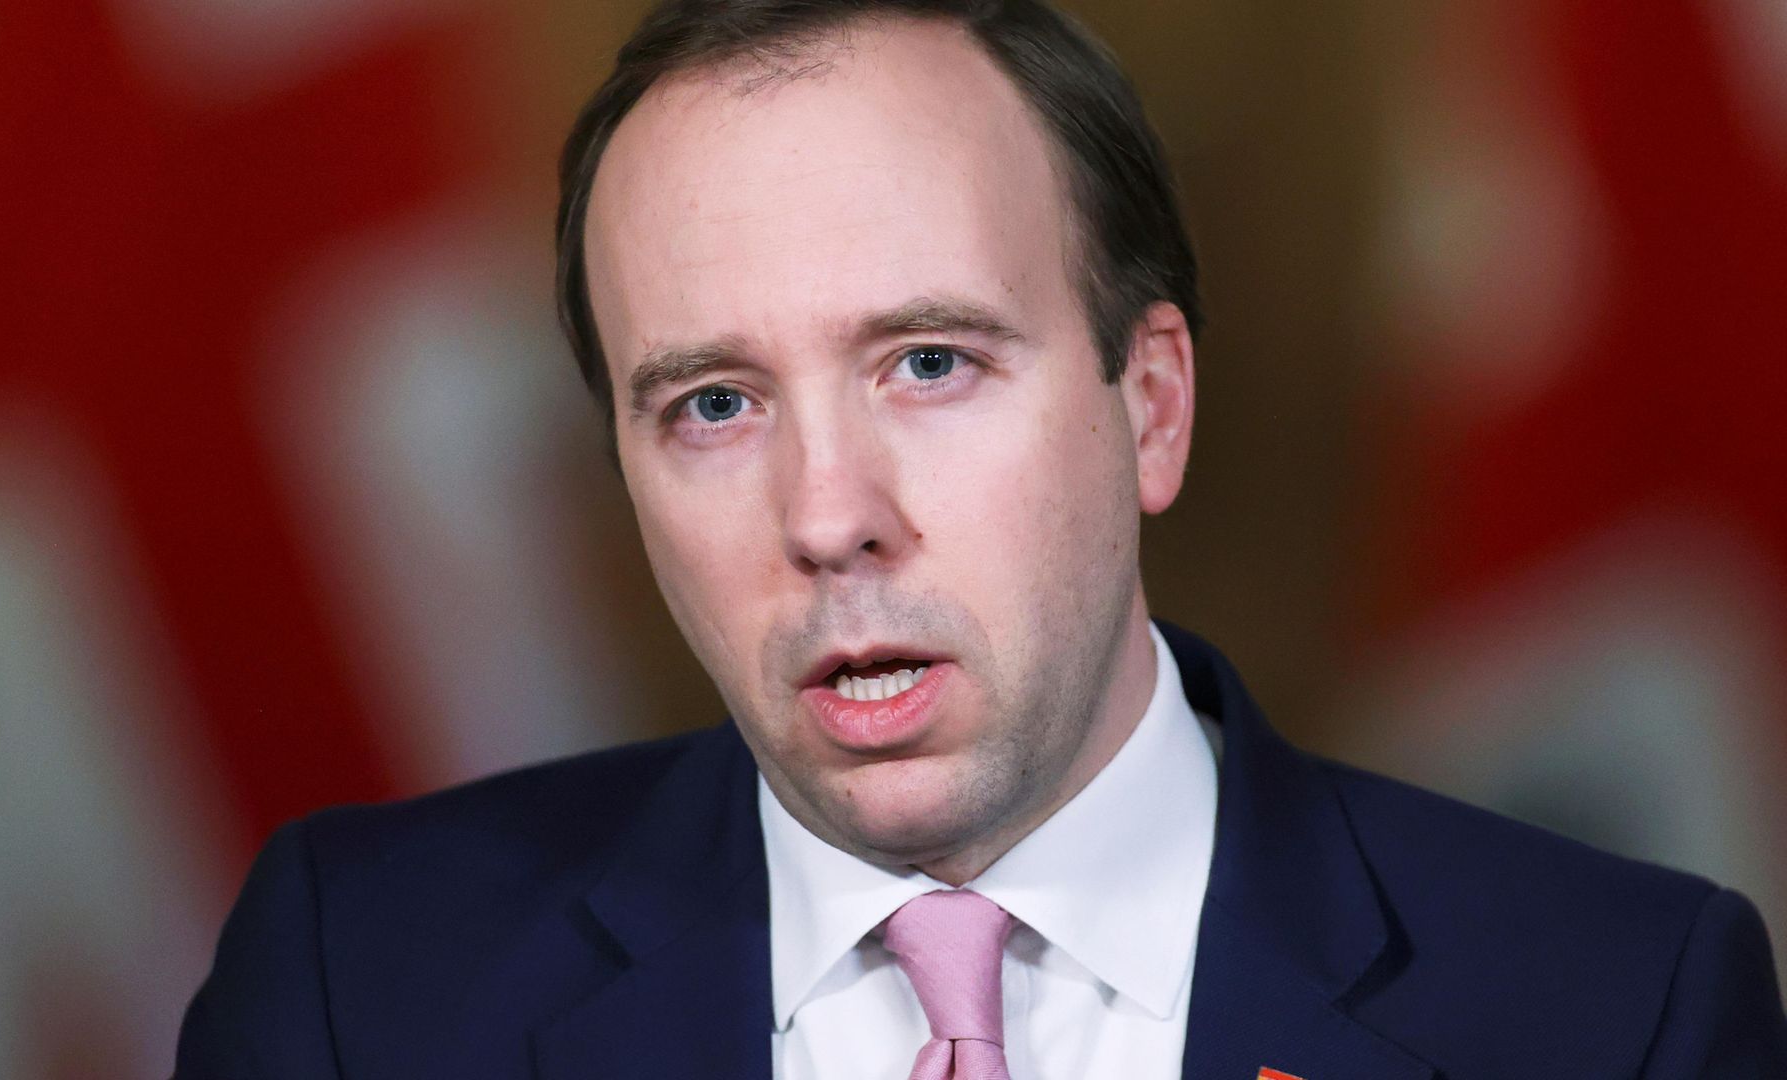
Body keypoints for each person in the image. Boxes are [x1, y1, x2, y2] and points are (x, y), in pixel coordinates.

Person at [174, 1, 1787, 1076]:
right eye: (714, 406)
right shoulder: (354, 986)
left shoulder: (1616, 1011)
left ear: (1153, 405)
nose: (826, 518)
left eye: (930, 364)